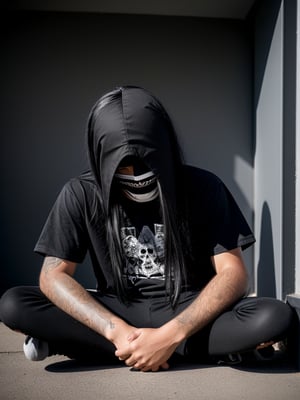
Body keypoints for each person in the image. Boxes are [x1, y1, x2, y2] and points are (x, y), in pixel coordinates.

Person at [0, 86, 293, 372]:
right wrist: (117, 332)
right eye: (122, 170)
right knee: (15, 304)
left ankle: (82, 346)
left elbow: (234, 274)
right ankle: (169, 350)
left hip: (187, 307)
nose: (136, 177)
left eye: (146, 164)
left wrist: (170, 335)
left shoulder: (204, 187)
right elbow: (52, 276)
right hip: (119, 310)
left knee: (273, 317)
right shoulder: (81, 193)